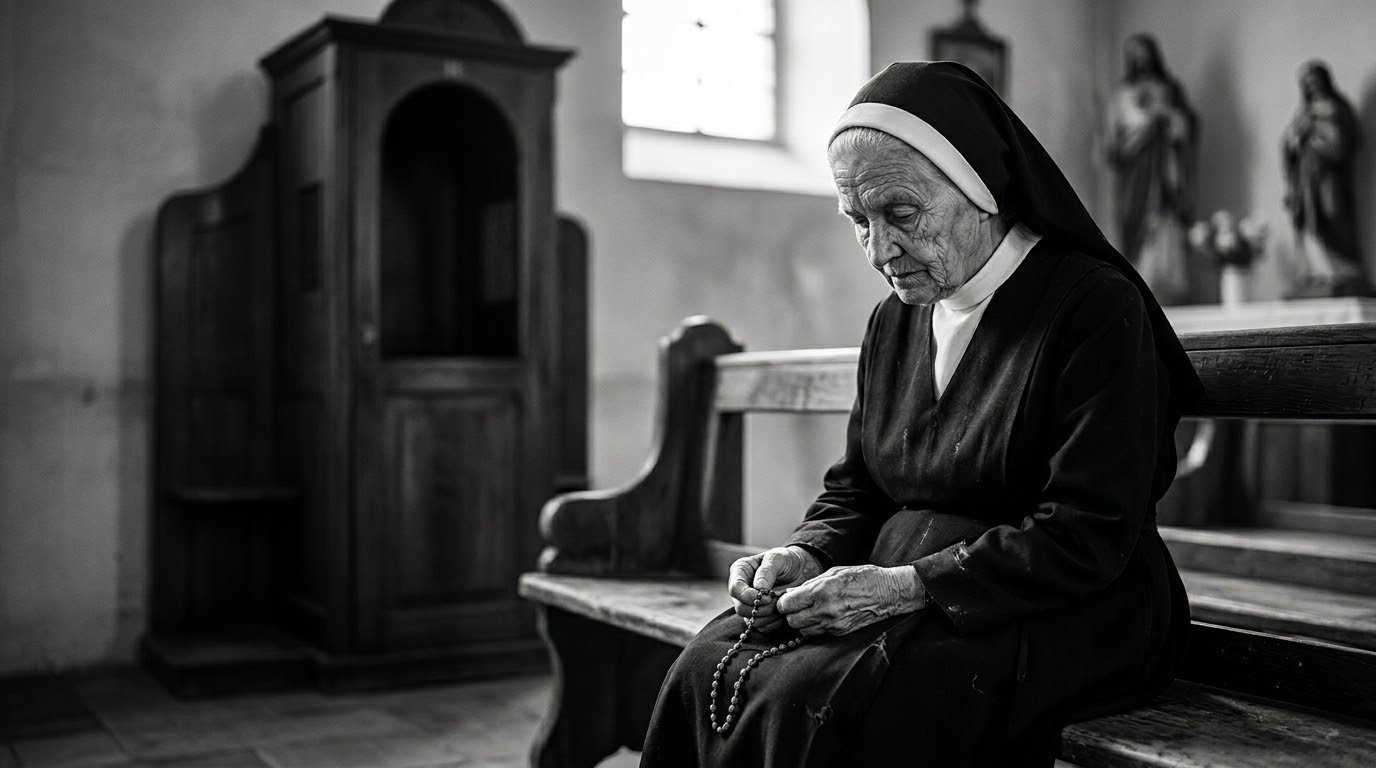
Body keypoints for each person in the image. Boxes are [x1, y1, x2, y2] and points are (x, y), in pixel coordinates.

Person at [639, 62, 1200, 768]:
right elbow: (860, 488)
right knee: (704, 666)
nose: (879, 251)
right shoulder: (893, 321)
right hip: (909, 582)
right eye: (857, 221)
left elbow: (1090, 530)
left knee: (818, 698)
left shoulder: (1092, 306)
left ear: (980, 189)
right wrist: (806, 552)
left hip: (1064, 607)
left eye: (900, 215)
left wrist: (908, 588)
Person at [1104, 34, 1198, 305]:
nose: (1140, 59)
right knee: (1132, 218)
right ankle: (1138, 280)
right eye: (1134, 54)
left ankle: (1163, 282)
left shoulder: (1169, 89)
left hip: (1162, 165)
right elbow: (1113, 137)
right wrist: (1126, 141)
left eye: (1144, 52)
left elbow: (1187, 127)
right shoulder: (1121, 94)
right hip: (1133, 169)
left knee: (1161, 216)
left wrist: (1167, 118)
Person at [1281, 60, 1367, 297]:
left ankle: (1346, 272)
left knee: (1333, 213)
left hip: (1330, 176)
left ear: (1325, 80)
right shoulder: (1304, 112)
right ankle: (1319, 273)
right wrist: (1294, 141)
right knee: (1309, 220)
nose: (1312, 86)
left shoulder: (1339, 107)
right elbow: (1289, 144)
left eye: (1316, 80)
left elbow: (1347, 141)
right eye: (1307, 83)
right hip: (1305, 178)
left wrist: (1316, 139)